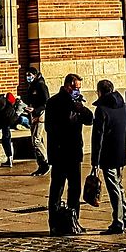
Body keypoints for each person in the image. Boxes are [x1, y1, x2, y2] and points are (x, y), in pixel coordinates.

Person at [44, 74, 93, 235]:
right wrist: (70, 114)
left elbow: (89, 119)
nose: (78, 90)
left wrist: (81, 108)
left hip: (74, 153)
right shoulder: (54, 102)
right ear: (68, 86)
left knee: (75, 189)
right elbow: (50, 128)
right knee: (57, 189)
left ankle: (74, 221)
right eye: (76, 87)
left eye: (79, 88)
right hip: (59, 153)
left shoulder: (77, 103)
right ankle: (55, 224)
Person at [91, 79, 126, 235]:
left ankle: (118, 222)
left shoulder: (102, 110)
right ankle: (125, 216)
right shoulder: (122, 105)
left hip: (108, 154)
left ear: (100, 92)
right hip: (120, 152)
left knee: (113, 188)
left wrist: (95, 161)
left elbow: (97, 137)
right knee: (119, 186)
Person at [22, 67, 51, 177]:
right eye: (27, 75)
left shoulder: (41, 85)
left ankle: (46, 162)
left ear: (35, 74)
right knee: (35, 140)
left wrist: (36, 110)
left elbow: (46, 102)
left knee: (36, 140)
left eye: (30, 75)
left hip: (40, 115)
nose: (28, 77)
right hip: (32, 115)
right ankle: (41, 164)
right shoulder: (31, 86)